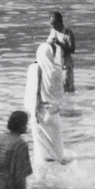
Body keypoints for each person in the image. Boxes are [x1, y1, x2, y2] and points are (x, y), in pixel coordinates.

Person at [24, 42, 67, 172]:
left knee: (41, 152)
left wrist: (33, 110)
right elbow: (60, 95)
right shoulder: (57, 70)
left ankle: (42, 171)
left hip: (38, 113)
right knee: (58, 152)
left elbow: (31, 92)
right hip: (52, 113)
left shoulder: (33, 69)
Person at [47, 11, 76, 92]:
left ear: (61, 22)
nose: (54, 27)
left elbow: (72, 49)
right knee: (57, 87)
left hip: (66, 64)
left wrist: (59, 44)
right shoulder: (53, 31)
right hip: (56, 63)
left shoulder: (67, 32)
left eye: (55, 24)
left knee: (67, 88)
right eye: (52, 25)